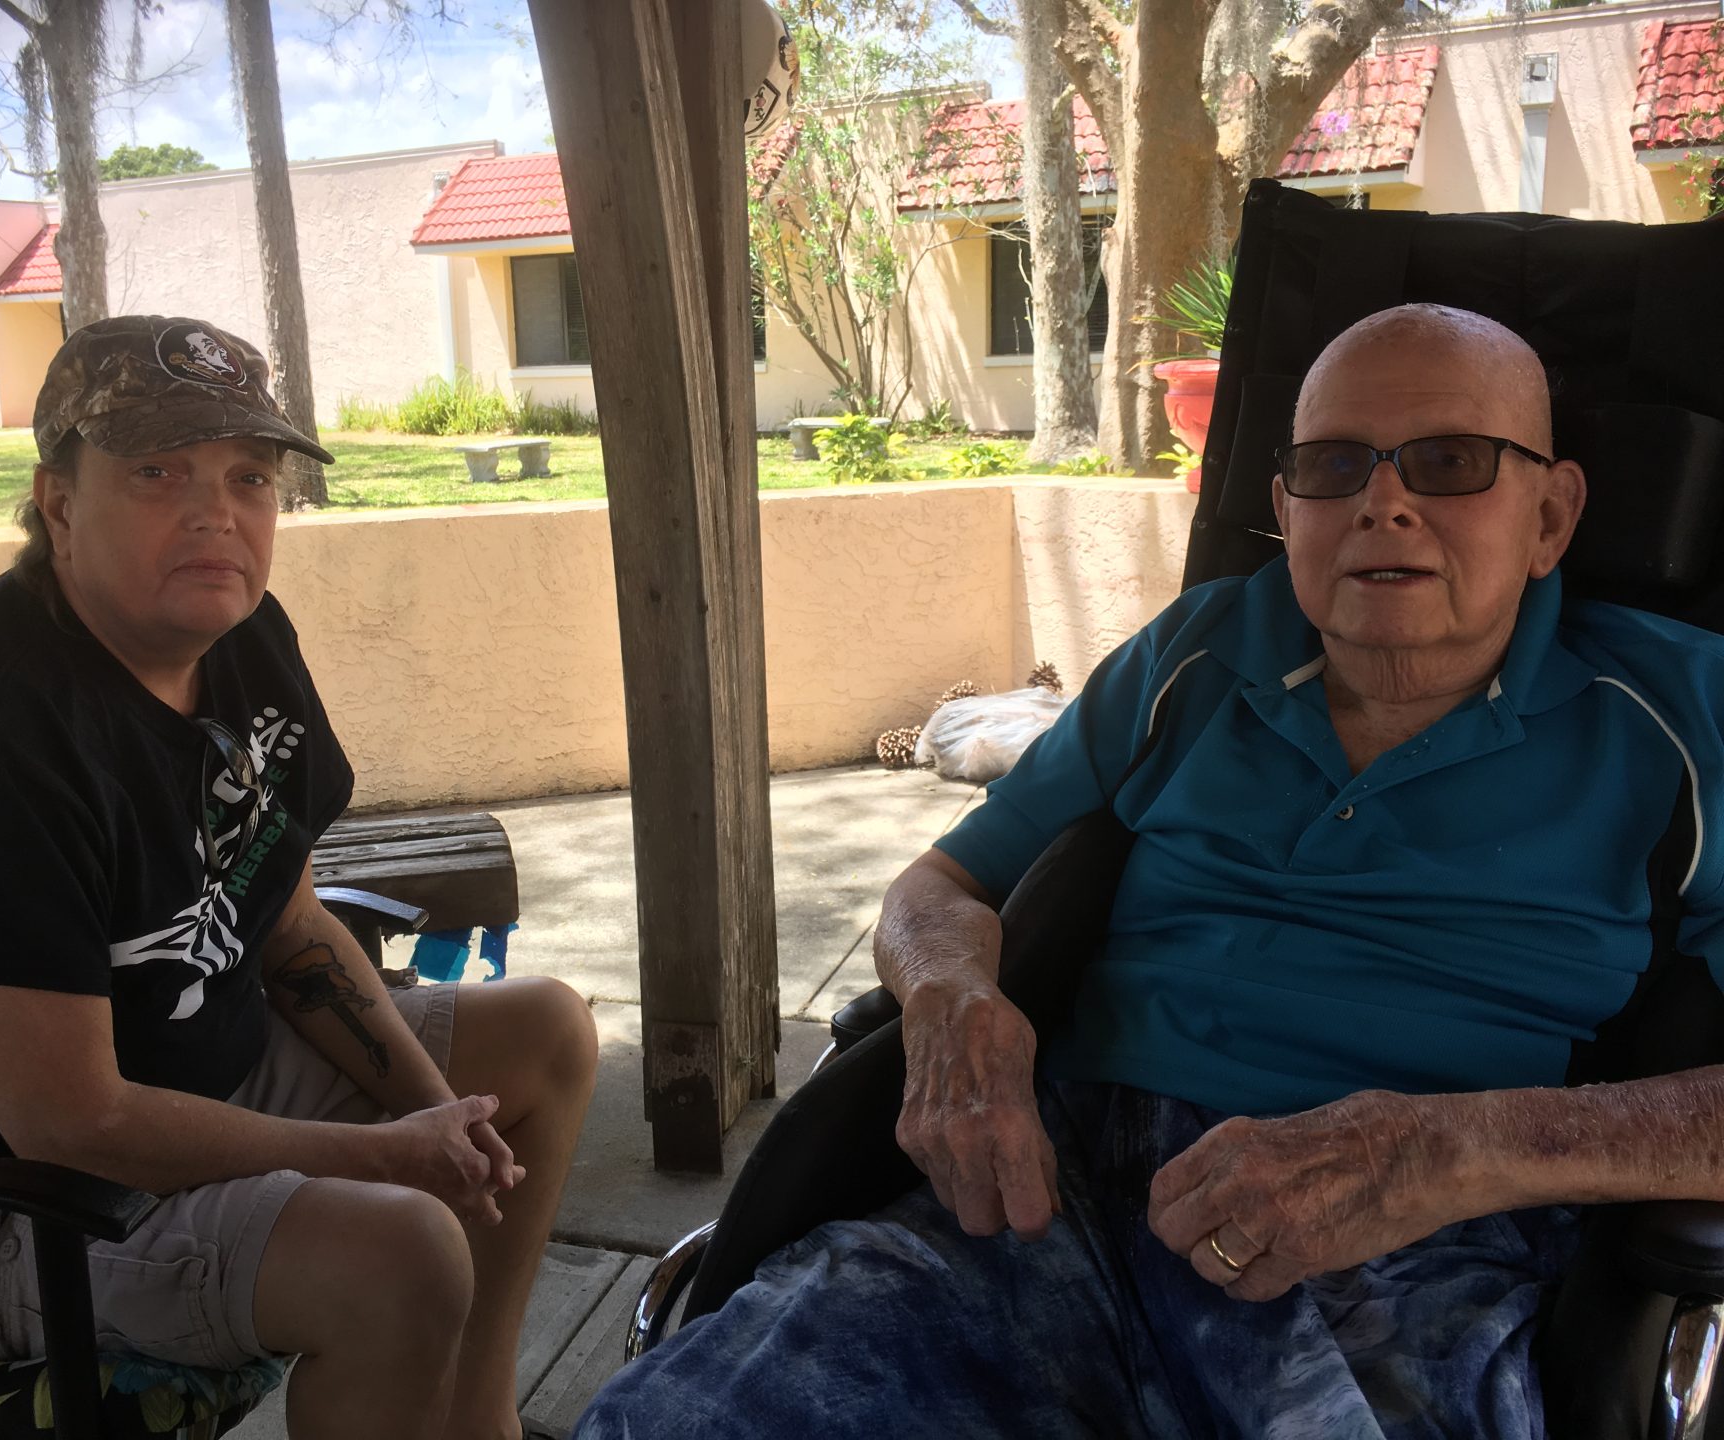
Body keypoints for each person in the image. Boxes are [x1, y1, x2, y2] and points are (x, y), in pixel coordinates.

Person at [577, 303, 1724, 1438]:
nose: (1384, 501)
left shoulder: (1683, 719)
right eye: (1333, 467)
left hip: (1420, 1240)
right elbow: (942, 889)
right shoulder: (1198, 654)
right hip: (1054, 1194)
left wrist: (1450, 1150)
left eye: (1451, 460)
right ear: (1284, 510)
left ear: (1551, 516)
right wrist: (951, 999)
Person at [0, 315, 597, 1440]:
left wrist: (441, 1124)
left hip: (187, 1082)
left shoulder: (244, 636)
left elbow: (289, 925)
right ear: (60, 502)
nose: (214, 511)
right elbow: (72, 1120)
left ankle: (478, 1422)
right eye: (157, 471)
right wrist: (380, 1157)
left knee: (548, 1035)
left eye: (249, 476)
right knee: (398, 1254)